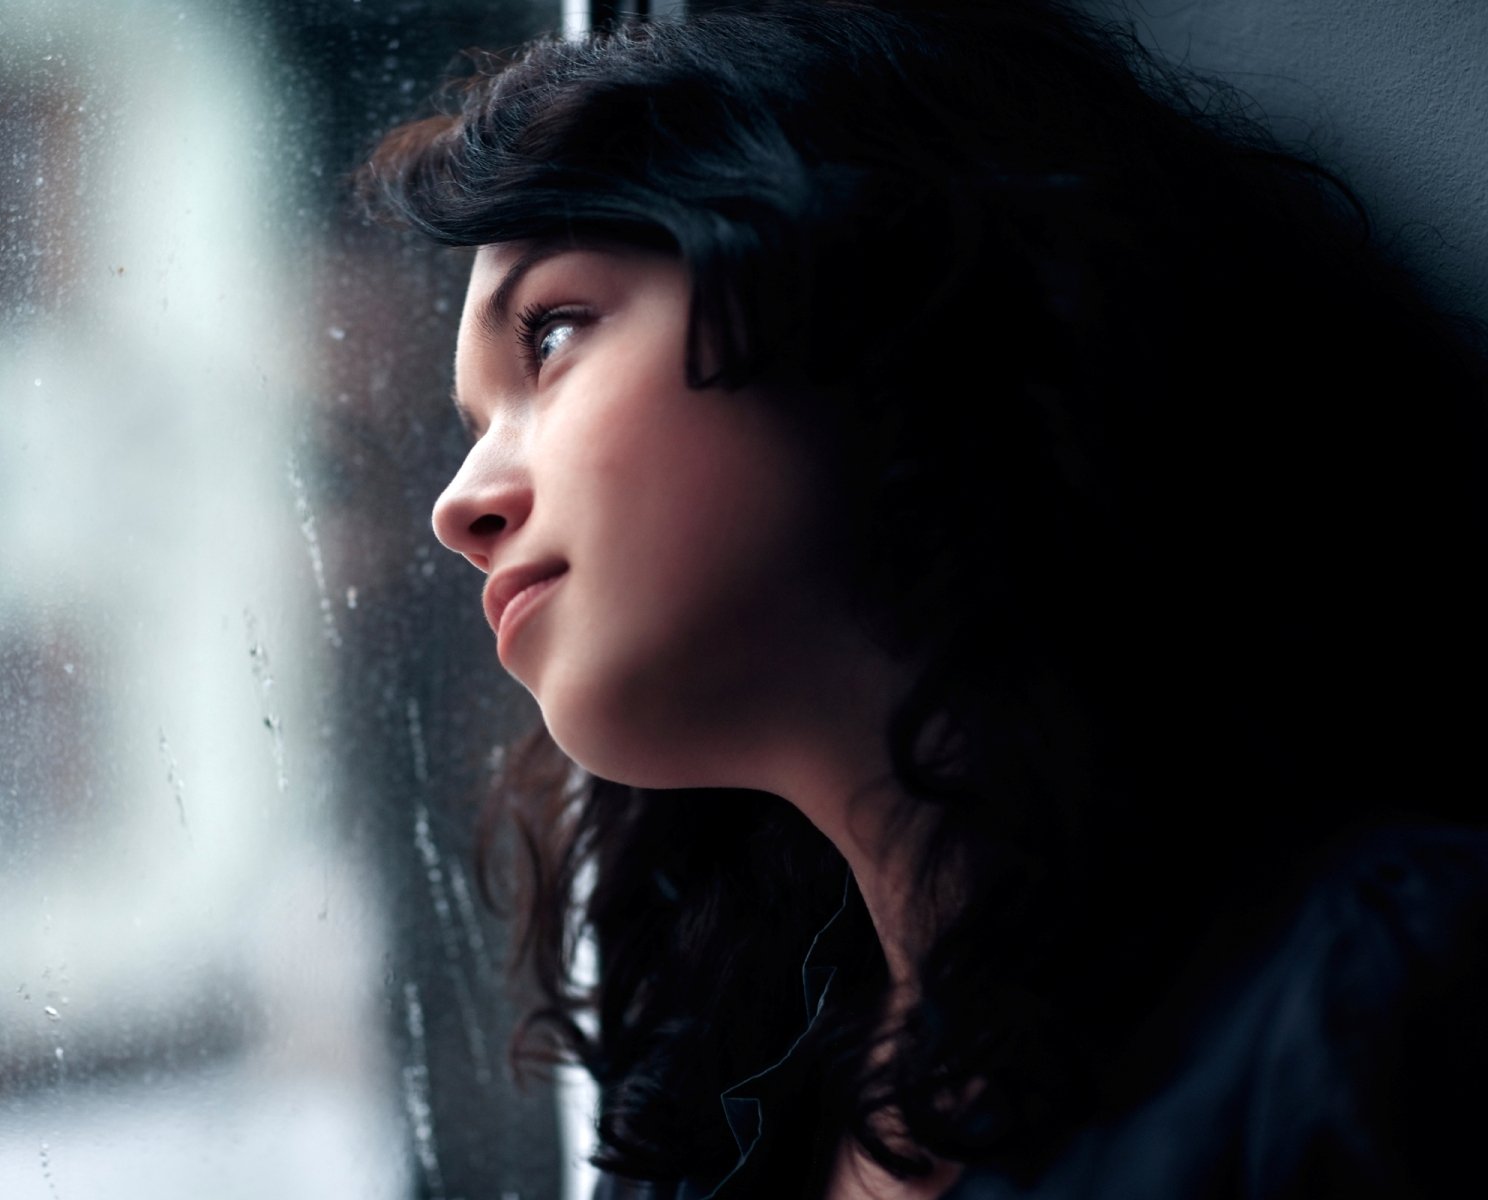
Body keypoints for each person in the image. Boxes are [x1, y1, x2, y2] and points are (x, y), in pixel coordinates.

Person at [359, 2, 1488, 1197]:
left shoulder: (1384, 994)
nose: (458, 504)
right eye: (474, 426)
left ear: (871, 286)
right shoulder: (704, 1124)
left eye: (552, 333)